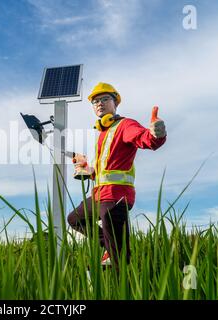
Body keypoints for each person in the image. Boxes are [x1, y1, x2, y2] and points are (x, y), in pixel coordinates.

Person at [67, 82, 167, 267]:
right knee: (75, 219)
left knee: (117, 259)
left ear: (115, 103)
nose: (99, 104)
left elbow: (145, 139)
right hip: (99, 195)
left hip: (116, 197)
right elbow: (105, 168)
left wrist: (156, 135)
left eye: (105, 99)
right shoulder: (103, 134)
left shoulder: (125, 125)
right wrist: (88, 170)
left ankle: (119, 274)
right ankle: (108, 245)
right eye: (95, 101)